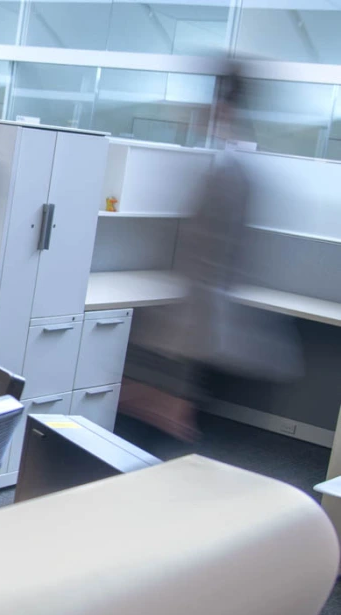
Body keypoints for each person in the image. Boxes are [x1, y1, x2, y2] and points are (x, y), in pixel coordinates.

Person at [118, 64, 302, 441]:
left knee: (161, 408)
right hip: (202, 307)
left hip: (200, 307)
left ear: (222, 106)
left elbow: (209, 250)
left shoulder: (228, 168)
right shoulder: (234, 164)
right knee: (164, 405)